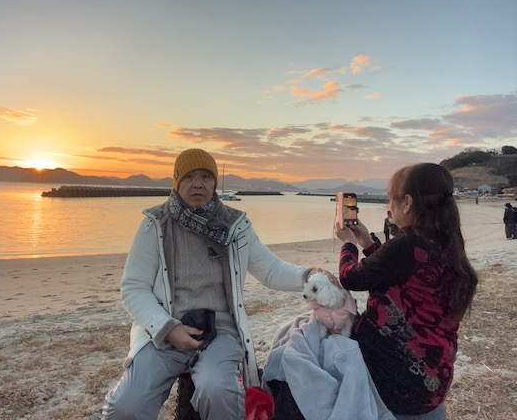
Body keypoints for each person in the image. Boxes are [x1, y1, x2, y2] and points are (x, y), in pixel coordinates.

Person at [102, 148, 313, 420]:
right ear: (176, 182)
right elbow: (134, 288)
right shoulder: (155, 225)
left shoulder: (235, 226)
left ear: (214, 183)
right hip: (163, 332)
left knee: (218, 390)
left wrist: (310, 277)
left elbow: (271, 270)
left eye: (205, 176)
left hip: (220, 333)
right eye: (189, 177)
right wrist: (168, 328)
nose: (198, 184)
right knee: (126, 406)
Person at [334, 163, 478, 419]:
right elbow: (399, 272)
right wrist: (367, 242)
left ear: (408, 202)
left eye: (391, 198)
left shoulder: (406, 245)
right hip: (434, 378)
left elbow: (350, 278)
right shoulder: (447, 241)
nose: (389, 206)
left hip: (396, 379)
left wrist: (348, 244)